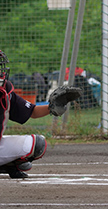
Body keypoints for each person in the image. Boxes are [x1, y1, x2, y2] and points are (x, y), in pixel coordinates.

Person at [0, 50, 81, 178]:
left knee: (36, 144)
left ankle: (6, 164)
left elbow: (32, 111)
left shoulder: (5, 91)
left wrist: (52, 107)